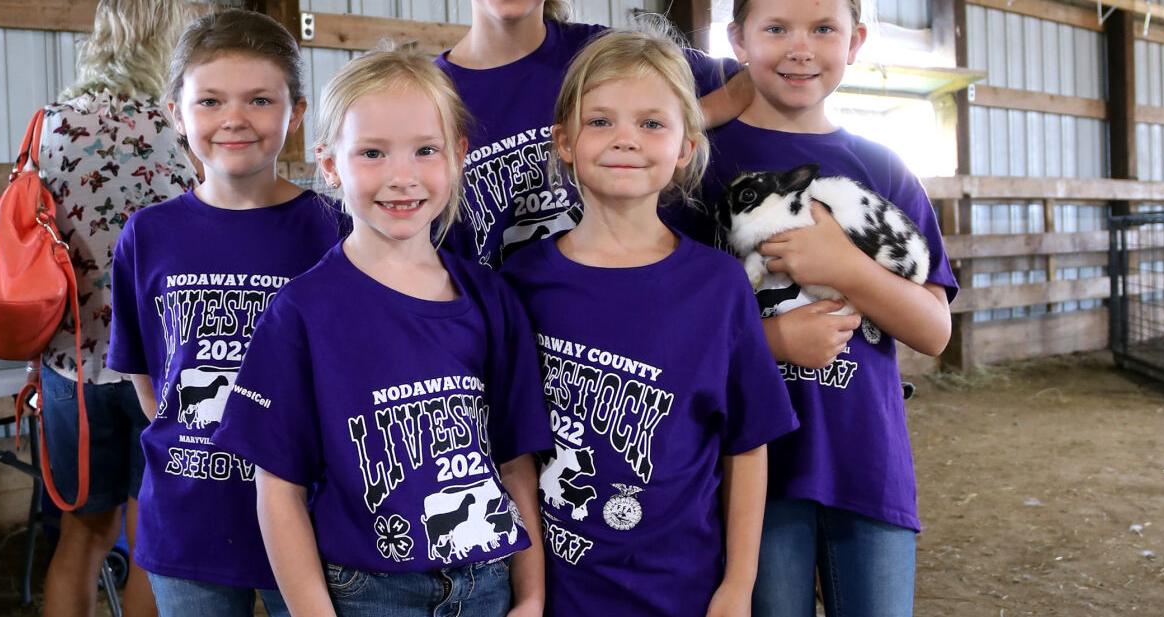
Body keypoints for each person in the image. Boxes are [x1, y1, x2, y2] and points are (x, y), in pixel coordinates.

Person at [211, 46, 553, 617]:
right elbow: (277, 489)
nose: (402, 177)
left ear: (459, 156)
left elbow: (516, 463)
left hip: (488, 582)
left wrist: (532, 594)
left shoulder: (490, 298)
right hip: (369, 592)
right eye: (372, 152)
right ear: (329, 164)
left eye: (426, 150)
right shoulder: (302, 313)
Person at [500, 27, 799, 617]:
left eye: (652, 124)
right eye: (601, 121)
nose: (626, 141)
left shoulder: (717, 287)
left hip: (683, 591)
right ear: (564, 141)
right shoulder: (522, 282)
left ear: (686, 145)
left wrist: (738, 587)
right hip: (563, 594)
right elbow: (515, 459)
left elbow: (747, 445)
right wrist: (529, 591)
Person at [699, 1, 959, 614]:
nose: (800, 48)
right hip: (749, 468)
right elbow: (671, 324)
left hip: (866, 459)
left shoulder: (884, 169)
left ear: (856, 40)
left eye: (823, 29)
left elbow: (934, 330)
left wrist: (844, 267)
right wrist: (772, 342)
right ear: (738, 39)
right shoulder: (699, 164)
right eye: (776, 29)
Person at [106, 9, 341, 616]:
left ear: (296, 112)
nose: (234, 119)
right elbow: (146, 376)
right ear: (176, 114)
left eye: (260, 99)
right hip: (189, 516)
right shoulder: (148, 234)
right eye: (209, 101)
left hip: (310, 516)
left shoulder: (334, 231)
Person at [34, 1, 195, 615]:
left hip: (71, 362)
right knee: (152, 537)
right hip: (162, 363)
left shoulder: (47, 125)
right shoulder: (183, 124)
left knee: (82, 536)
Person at [437, 0, 753, 268]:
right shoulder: (429, 97)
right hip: (510, 325)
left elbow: (753, 80)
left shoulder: (607, 56)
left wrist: (685, 123)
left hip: (637, 306)